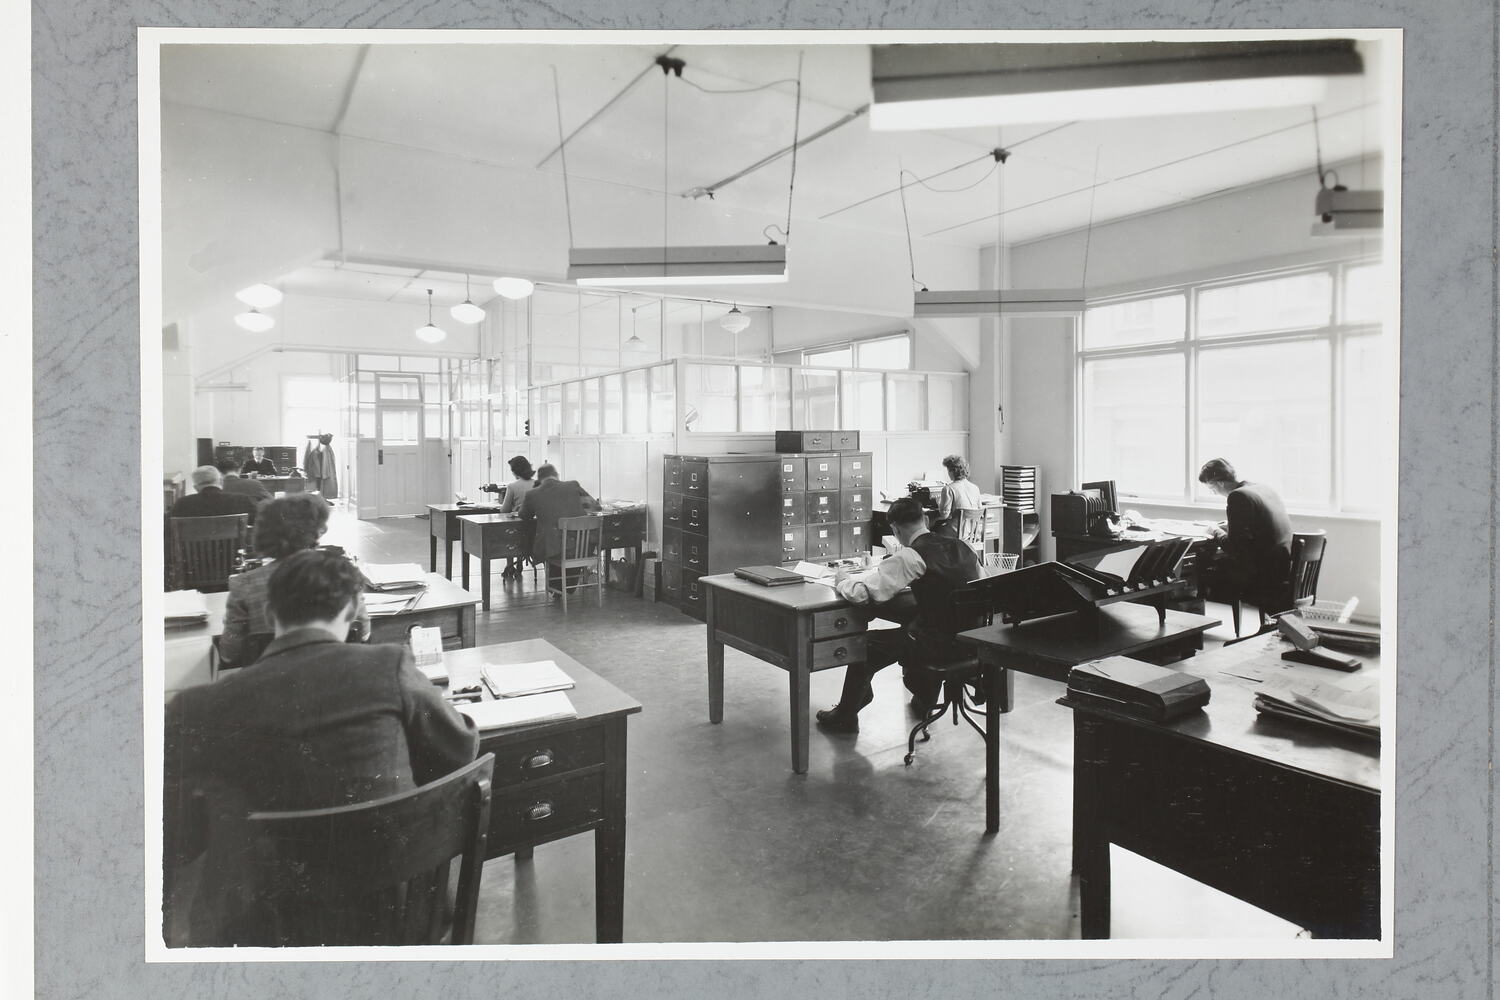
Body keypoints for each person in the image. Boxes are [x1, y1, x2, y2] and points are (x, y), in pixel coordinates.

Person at [163, 549, 480, 947]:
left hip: (257, 932)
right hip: (395, 916)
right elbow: (460, 751)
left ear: (270, 613)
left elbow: (179, 838)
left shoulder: (196, 709)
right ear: (353, 611)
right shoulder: (389, 666)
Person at [814, 497, 984, 734]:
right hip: (971, 642)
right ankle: (923, 701)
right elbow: (983, 588)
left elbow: (863, 594)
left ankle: (846, 715)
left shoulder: (911, 556)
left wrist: (843, 581)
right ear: (925, 520)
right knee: (918, 620)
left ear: (894, 530)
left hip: (936, 646)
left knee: (866, 644)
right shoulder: (964, 547)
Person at [219, 493, 367, 666]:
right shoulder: (342, 575)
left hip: (268, 679)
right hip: (337, 674)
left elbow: (229, 654)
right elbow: (364, 633)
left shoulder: (242, 585)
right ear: (317, 530)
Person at [1197, 458, 1294, 615]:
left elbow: (1234, 547)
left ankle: (1194, 619)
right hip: (1281, 566)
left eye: (1211, 488)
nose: (1213, 493)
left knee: (1199, 571)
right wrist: (1229, 526)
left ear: (1220, 483)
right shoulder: (1261, 488)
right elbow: (1259, 526)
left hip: (1262, 576)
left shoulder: (1237, 497)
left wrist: (1215, 530)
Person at [518, 463, 599, 588]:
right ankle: (566, 586)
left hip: (555, 550)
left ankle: (557, 588)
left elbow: (524, 515)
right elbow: (595, 507)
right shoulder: (573, 485)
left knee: (548, 542)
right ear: (557, 475)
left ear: (539, 479)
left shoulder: (532, 494)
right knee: (566, 547)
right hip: (583, 547)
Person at [170, 465, 261, 526]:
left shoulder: (182, 504)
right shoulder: (242, 500)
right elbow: (259, 523)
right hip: (235, 549)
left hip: (194, 550)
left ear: (196, 487)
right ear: (221, 481)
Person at [497, 455, 537, 579]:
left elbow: (504, 510)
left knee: (508, 531)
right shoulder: (538, 484)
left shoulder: (512, 486)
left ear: (516, 471)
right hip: (536, 529)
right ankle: (519, 562)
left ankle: (510, 565)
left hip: (519, 529)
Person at [933, 454, 982, 538]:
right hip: (972, 533)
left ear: (953, 471)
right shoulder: (975, 488)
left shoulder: (948, 489)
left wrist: (939, 503)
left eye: (948, 470)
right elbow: (979, 510)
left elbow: (944, 515)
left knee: (932, 526)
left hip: (956, 533)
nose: (948, 473)